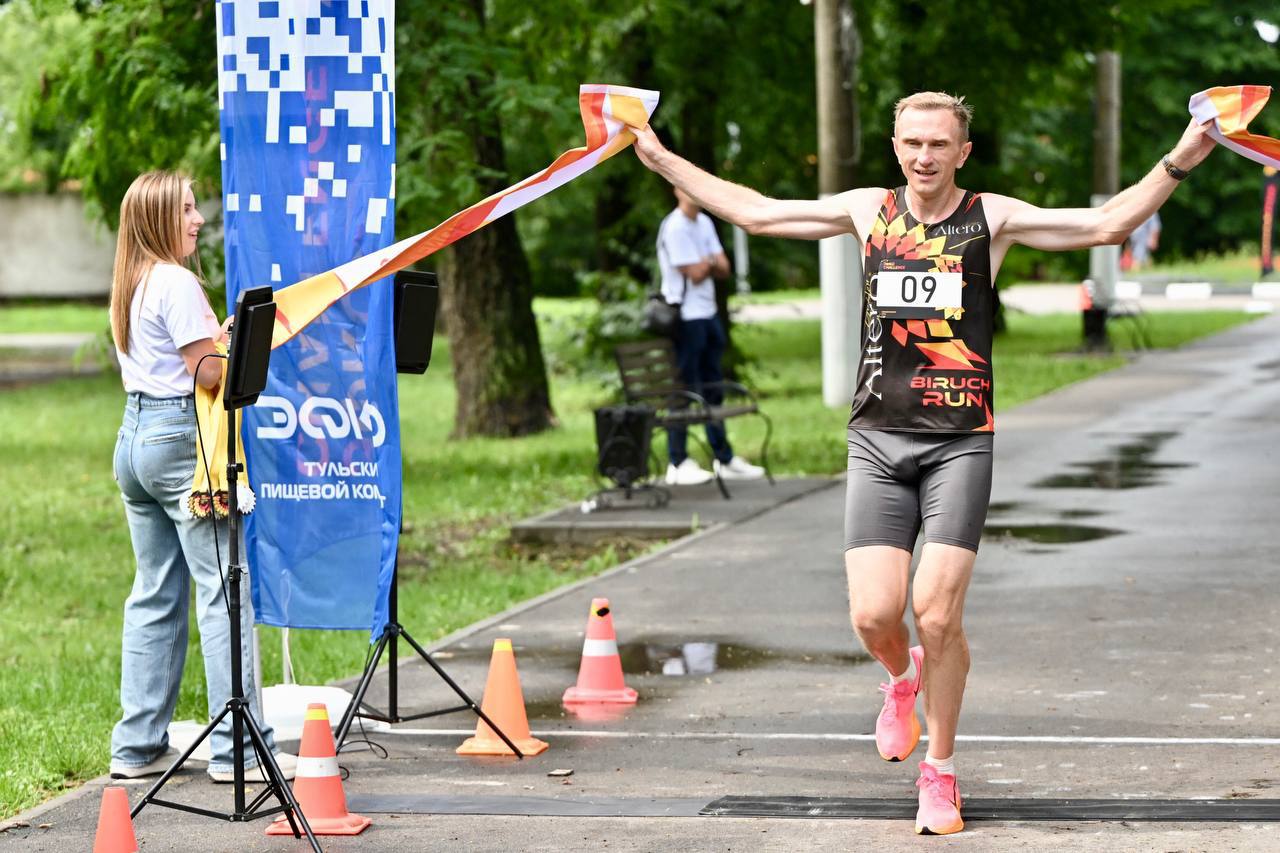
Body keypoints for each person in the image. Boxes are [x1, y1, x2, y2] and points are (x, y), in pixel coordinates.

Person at [633, 92, 1215, 835]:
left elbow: (1107, 224)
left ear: (962, 151)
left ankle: (938, 770)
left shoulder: (990, 218)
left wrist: (1181, 156)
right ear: (895, 145)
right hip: (877, 440)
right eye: (912, 142)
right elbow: (755, 211)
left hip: (959, 441)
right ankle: (901, 679)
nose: (924, 156)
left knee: (937, 612)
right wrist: (656, 155)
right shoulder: (867, 212)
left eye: (939, 144)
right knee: (876, 613)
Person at [107, 171, 296, 784]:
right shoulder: (176, 282)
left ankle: (135, 747)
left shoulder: (130, 283)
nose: (198, 219)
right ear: (161, 218)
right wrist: (243, 340)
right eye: (187, 210)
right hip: (182, 442)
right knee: (223, 591)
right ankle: (238, 752)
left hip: (135, 441)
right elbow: (210, 376)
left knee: (155, 592)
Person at [657, 186, 766, 486]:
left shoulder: (704, 223)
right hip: (686, 318)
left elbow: (723, 268)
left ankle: (723, 457)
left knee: (713, 389)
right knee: (685, 389)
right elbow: (694, 273)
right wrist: (709, 261)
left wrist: (706, 263)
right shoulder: (675, 226)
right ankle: (677, 461)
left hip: (708, 315)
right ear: (677, 190)